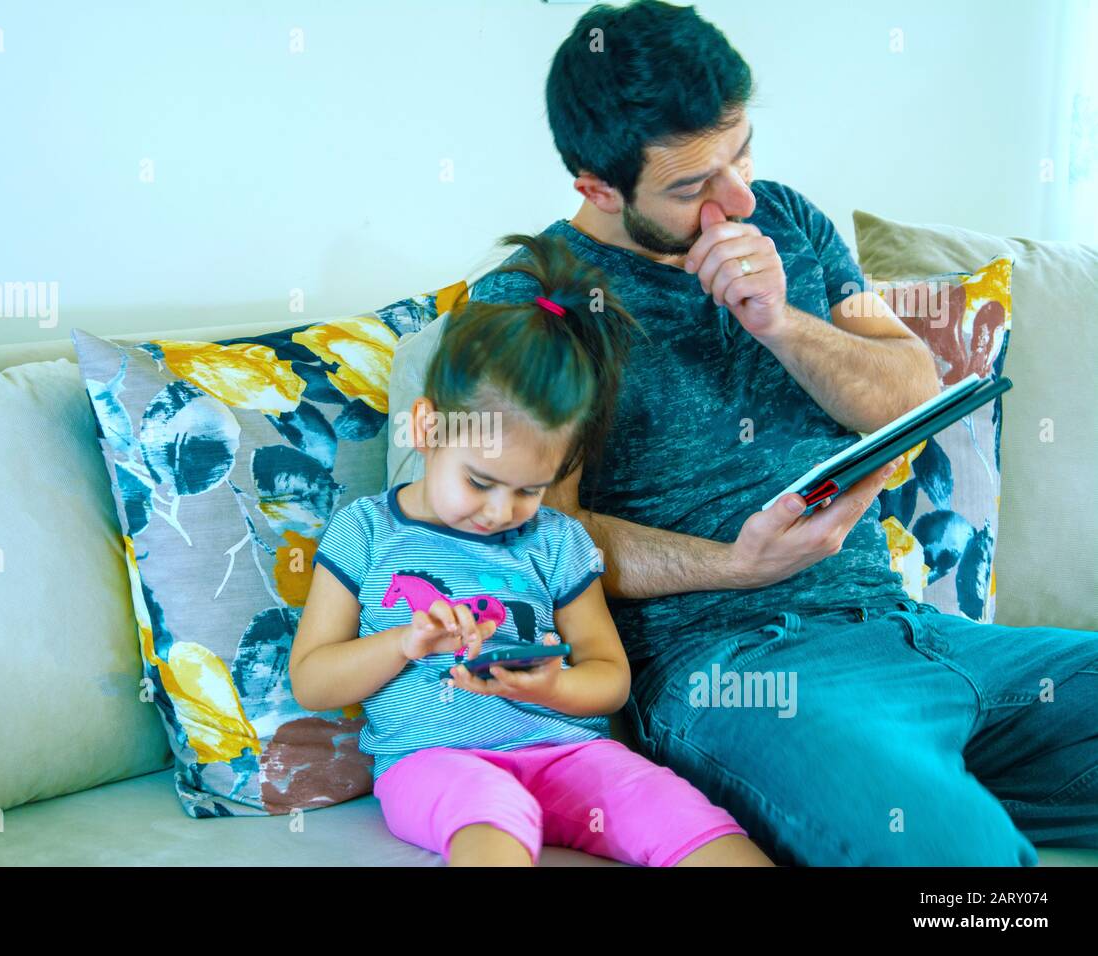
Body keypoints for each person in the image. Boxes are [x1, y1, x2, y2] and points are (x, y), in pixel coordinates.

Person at [387, 1, 1098, 865]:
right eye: (692, 186)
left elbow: (907, 390)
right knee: (958, 861)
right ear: (597, 186)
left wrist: (782, 322)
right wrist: (734, 566)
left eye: (742, 152)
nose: (739, 197)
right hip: (736, 673)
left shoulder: (790, 221)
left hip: (912, 634)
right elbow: (536, 531)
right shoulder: (532, 301)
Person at [290, 232, 774, 867]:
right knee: (490, 812)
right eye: (480, 482)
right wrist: (405, 644)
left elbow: (610, 679)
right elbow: (312, 681)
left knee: (678, 811)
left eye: (528, 490)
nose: (500, 512)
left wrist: (553, 688)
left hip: (567, 751)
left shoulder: (556, 539)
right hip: (436, 761)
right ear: (429, 427)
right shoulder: (365, 532)